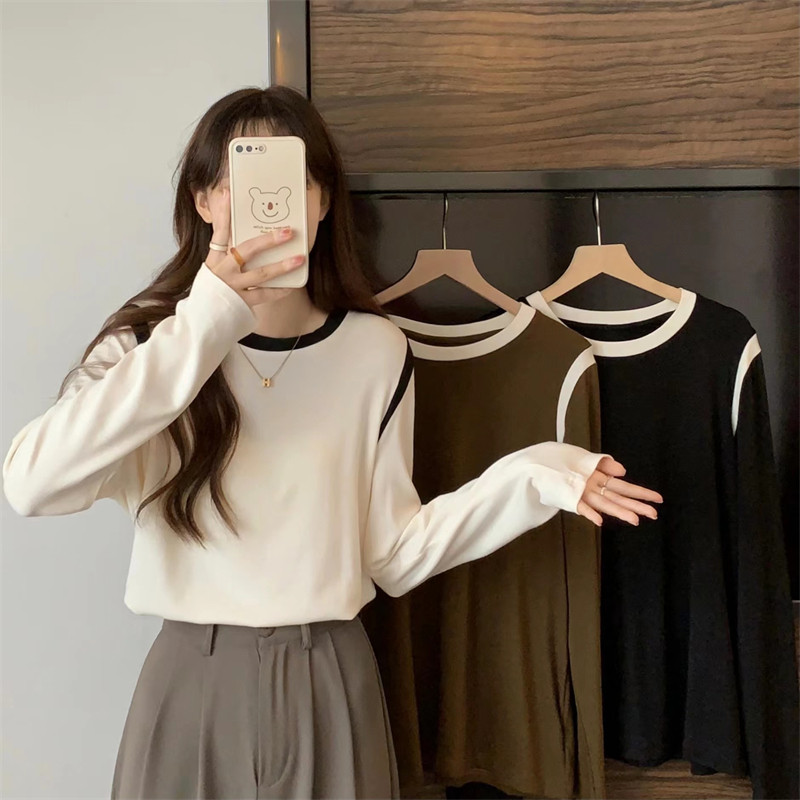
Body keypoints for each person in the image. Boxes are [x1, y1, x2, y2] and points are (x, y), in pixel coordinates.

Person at [2, 84, 663, 799]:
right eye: (239, 178)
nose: (267, 201)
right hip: (191, 685)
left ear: (320, 202)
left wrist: (537, 476)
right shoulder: (148, 346)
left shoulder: (374, 350)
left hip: (331, 680)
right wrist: (203, 325)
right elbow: (32, 484)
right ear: (204, 201)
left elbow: (394, 555)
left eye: (292, 179)